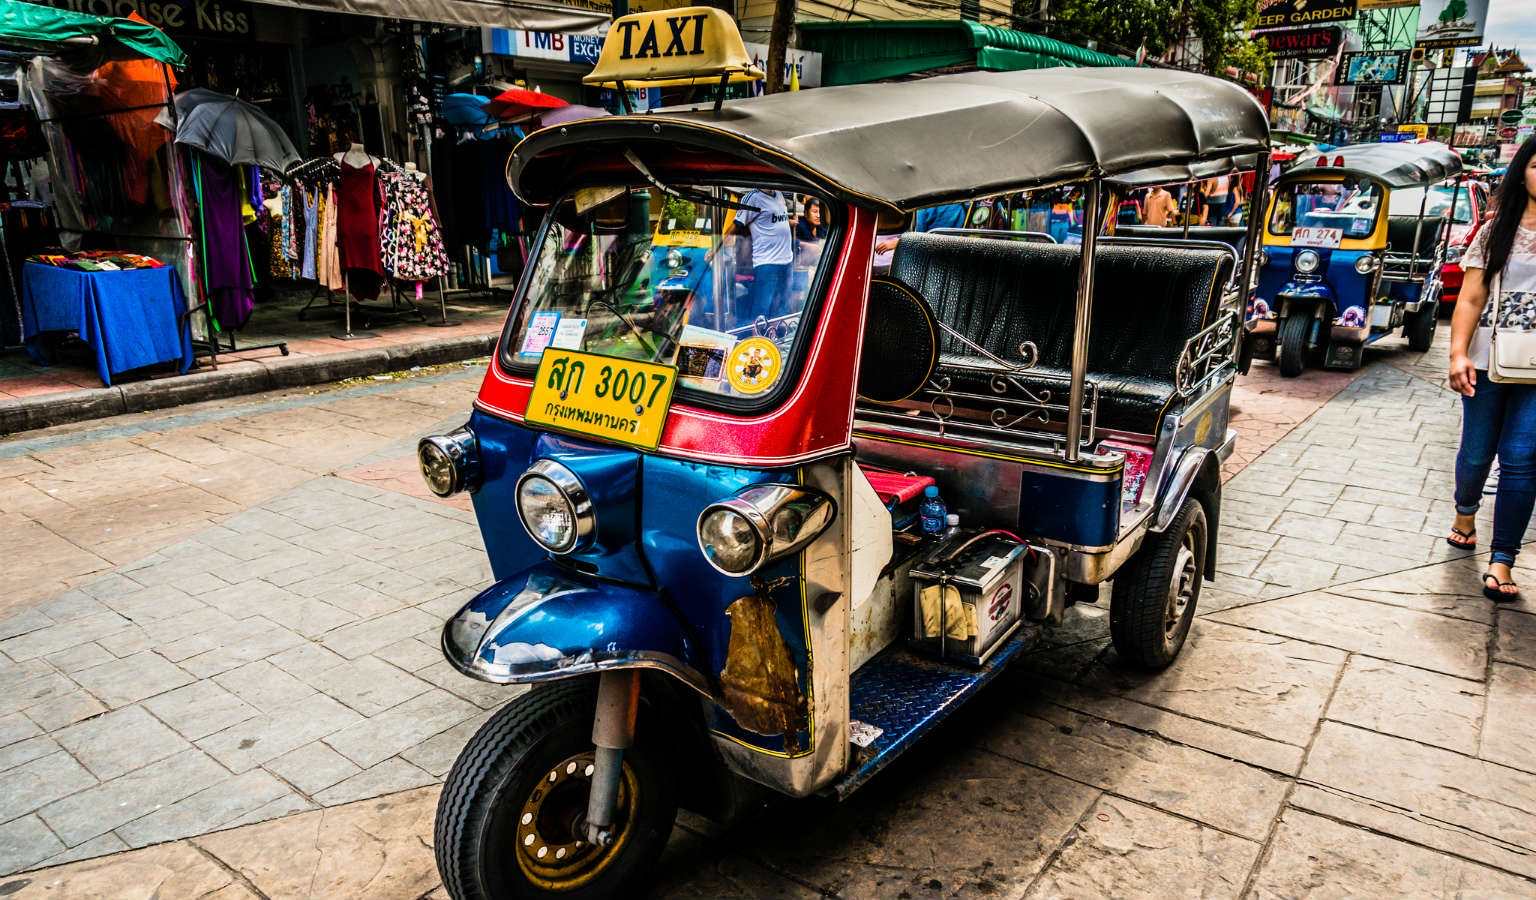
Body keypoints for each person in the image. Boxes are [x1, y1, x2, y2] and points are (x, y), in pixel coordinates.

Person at [1446, 135, 1536, 602]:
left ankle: (1503, 560)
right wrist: (1457, 353)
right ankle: (1465, 512)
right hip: (1487, 360)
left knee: (1523, 462)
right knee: (1478, 452)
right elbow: (1472, 297)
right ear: (1522, 170)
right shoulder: (1495, 231)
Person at [723, 188, 794, 321]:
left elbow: (774, 220)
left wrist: (790, 223)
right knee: (762, 308)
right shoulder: (752, 198)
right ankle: (757, 340)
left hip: (787, 260)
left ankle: (777, 338)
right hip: (767, 263)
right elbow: (736, 224)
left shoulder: (778, 194)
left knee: (782, 305)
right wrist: (716, 248)